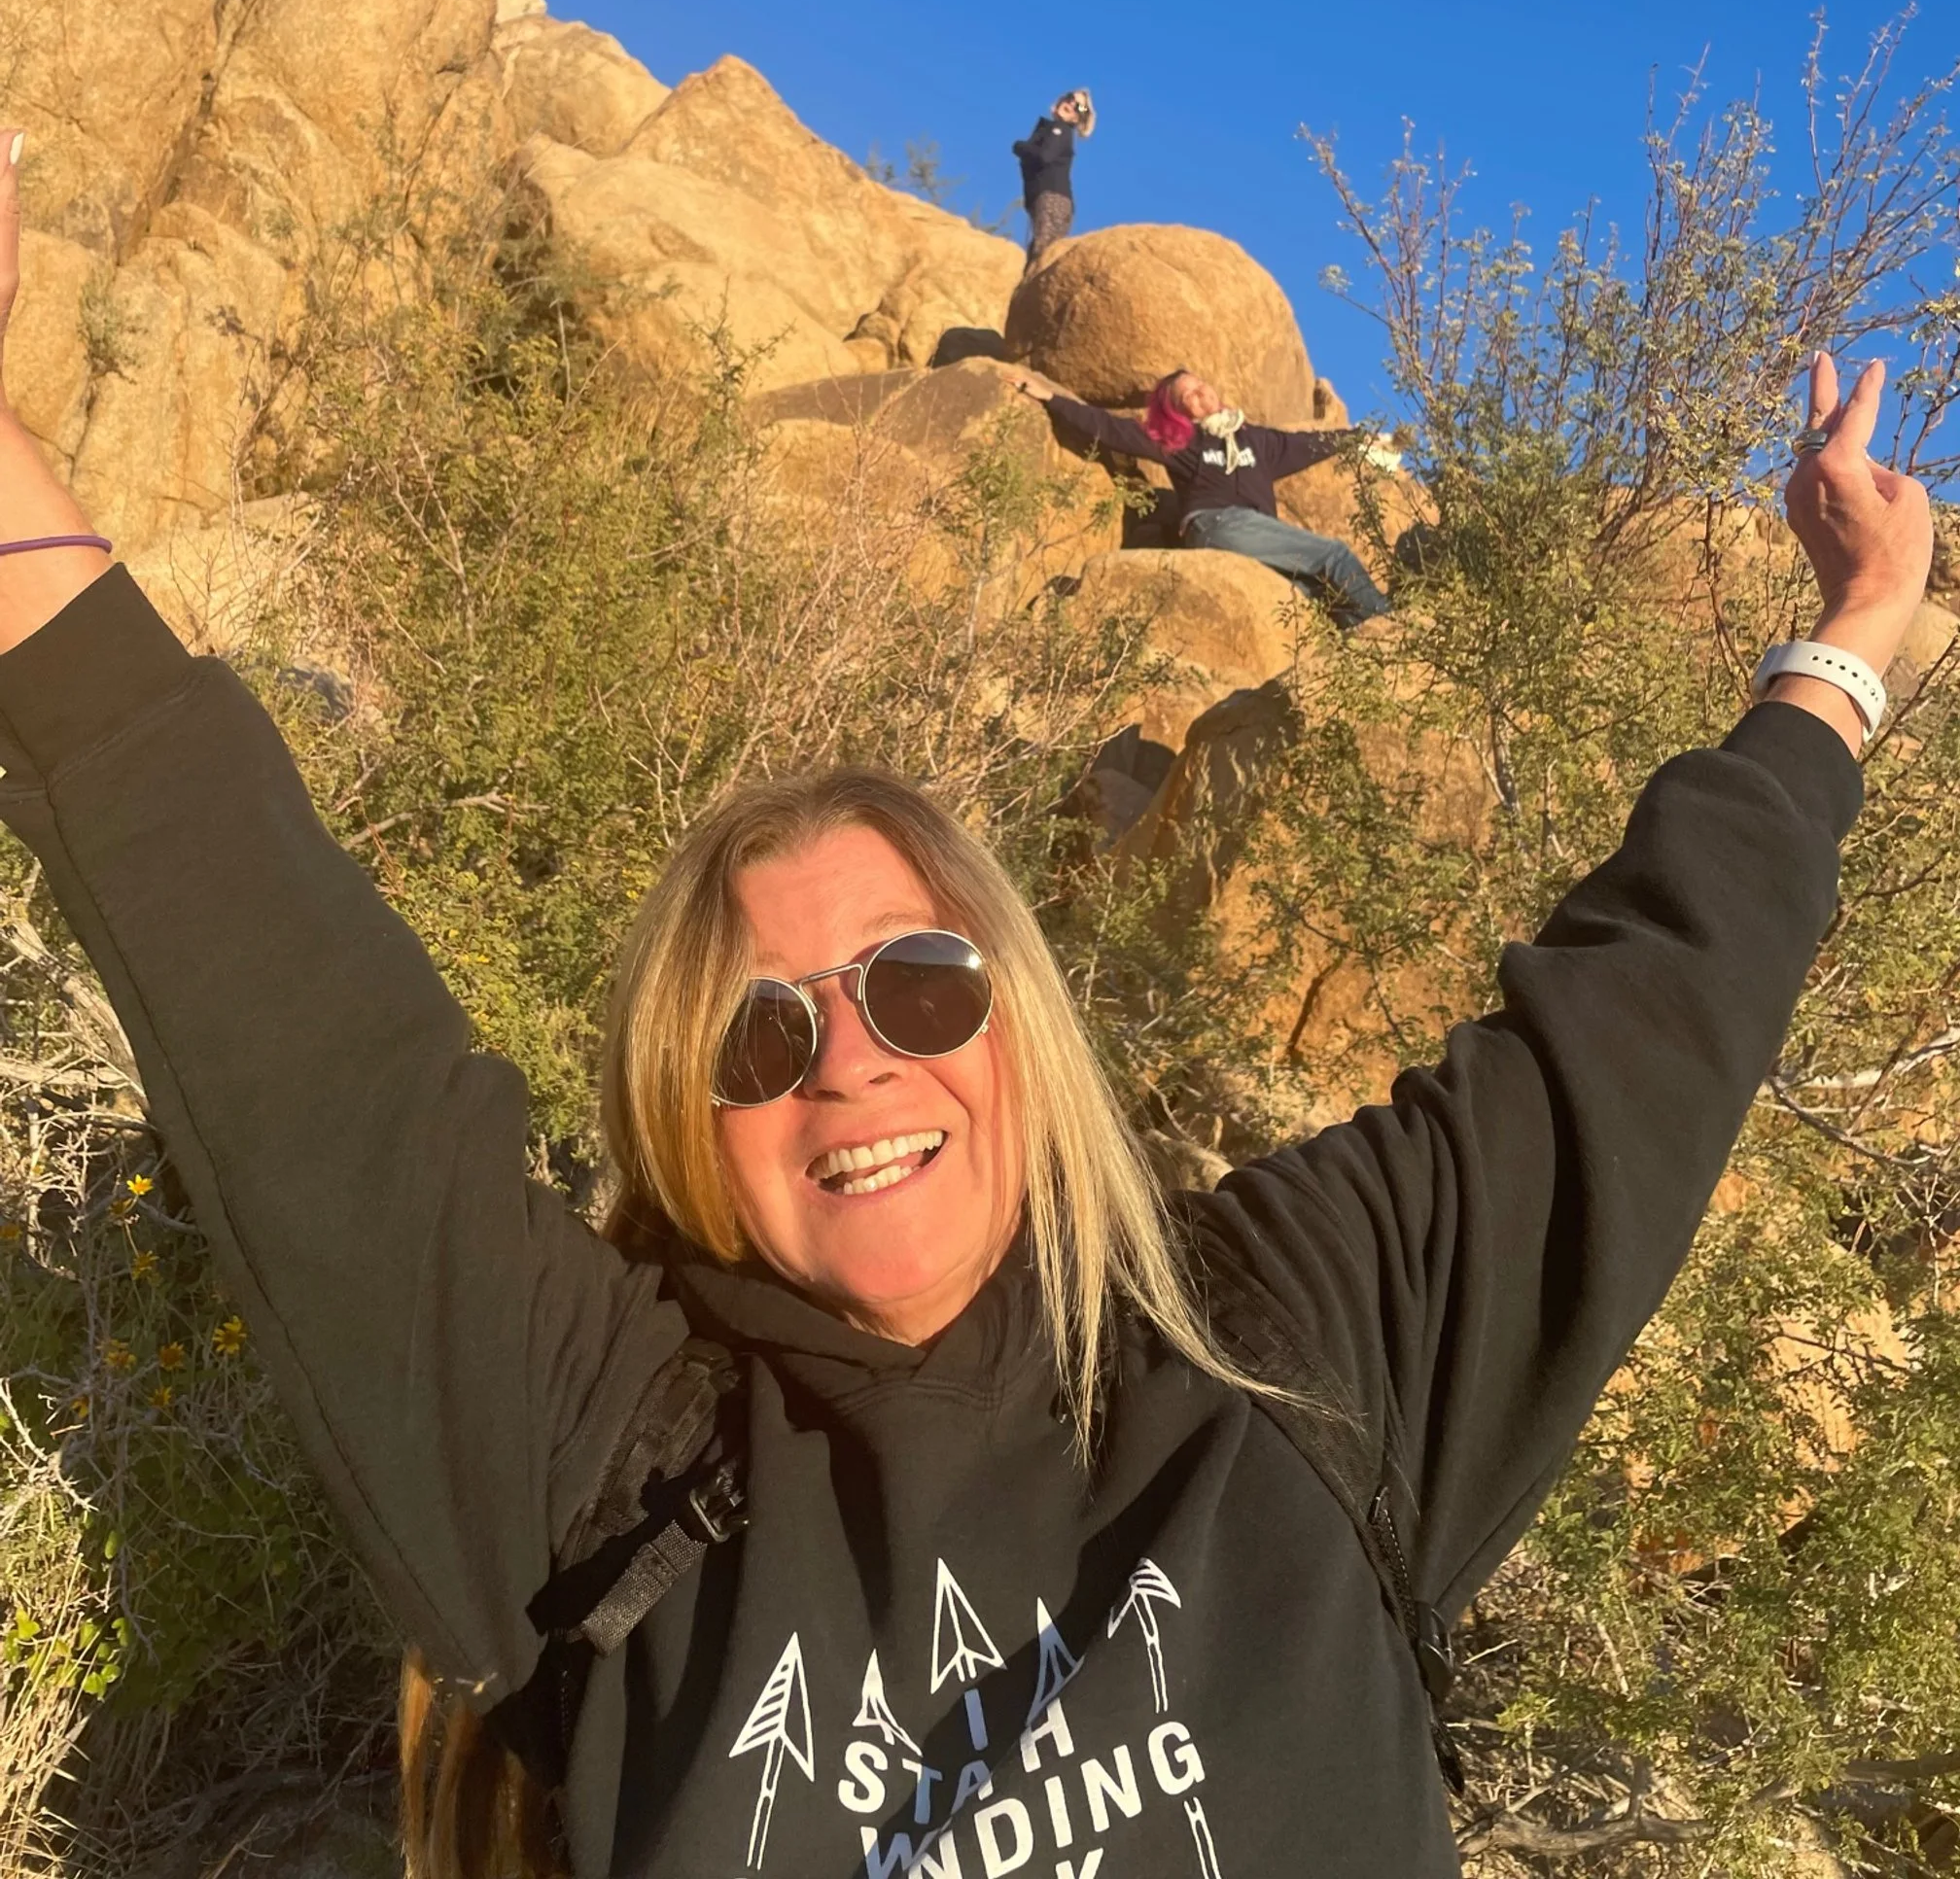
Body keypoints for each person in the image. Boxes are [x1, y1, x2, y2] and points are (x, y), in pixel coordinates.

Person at [0, 117, 1931, 1879]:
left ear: (1019, 1018)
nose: (849, 1061)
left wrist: (1844, 654)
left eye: (916, 986)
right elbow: (301, 1041)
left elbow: (1636, 1026)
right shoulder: (598, 1461)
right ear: (687, 1115)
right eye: (761, 1034)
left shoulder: (1295, 1355)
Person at [1016, 362, 1401, 625]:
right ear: (1181, 412)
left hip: (1254, 537)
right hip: (1216, 525)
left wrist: (1363, 440)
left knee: (1316, 597)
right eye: (1189, 397)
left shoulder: (1258, 441)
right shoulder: (1183, 442)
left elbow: (1311, 443)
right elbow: (1113, 428)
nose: (1202, 395)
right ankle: (1395, 631)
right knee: (1332, 555)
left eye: (1201, 387)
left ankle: (1366, 642)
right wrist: (1052, 399)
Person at [1013, 87, 1094, 265]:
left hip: (1052, 200)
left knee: (1042, 256)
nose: (1072, 104)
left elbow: (1044, 156)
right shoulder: (1051, 130)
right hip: (1056, 203)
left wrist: (1020, 147)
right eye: (1070, 97)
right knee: (1041, 255)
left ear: (1077, 118)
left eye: (1079, 107)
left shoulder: (1061, 128)